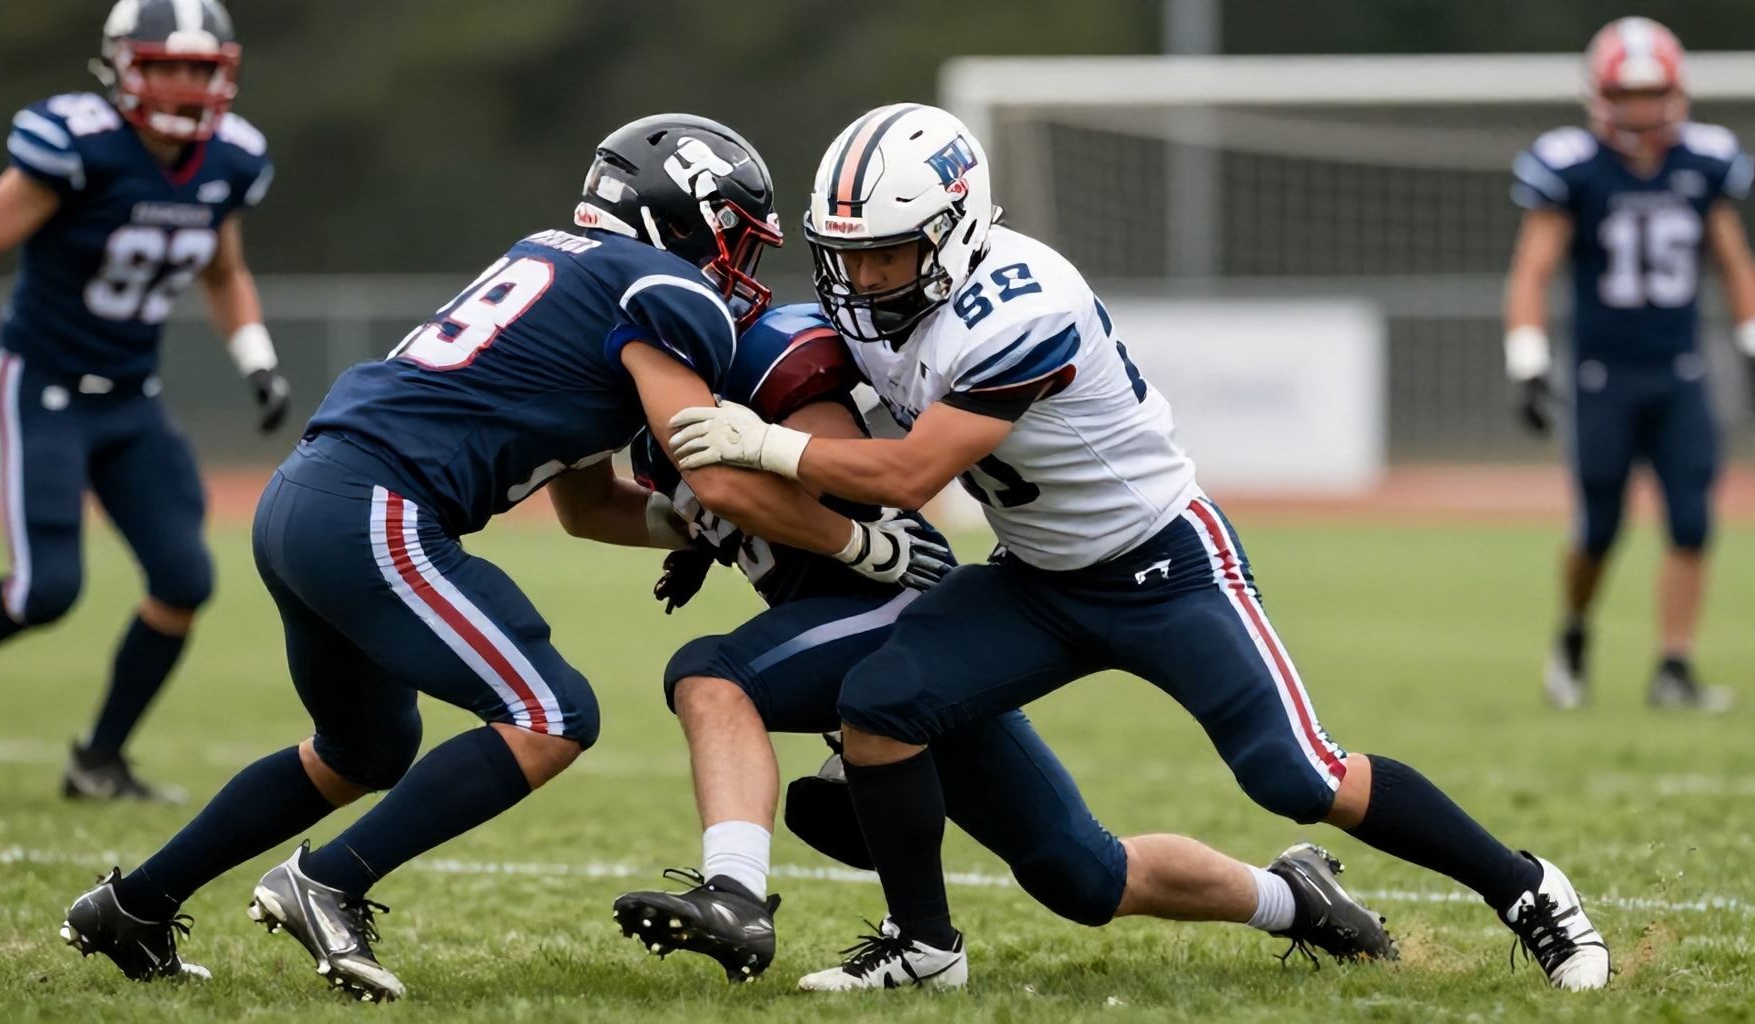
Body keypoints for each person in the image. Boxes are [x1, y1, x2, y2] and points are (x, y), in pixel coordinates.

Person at [669, 102, 1611, 992]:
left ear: (952, 232)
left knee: (1296, 773)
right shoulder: (885, 305)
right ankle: (923, 947)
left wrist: (765, 445)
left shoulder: (1020, 306)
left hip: (1162, 566)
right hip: (1037, 578)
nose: (863, 281)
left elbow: (913, 474)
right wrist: (724, 513)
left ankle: (1529, 889)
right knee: (877, 705)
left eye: (886, 257)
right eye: (849, 257)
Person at [59, 113, 943, 1002]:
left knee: (365, 748)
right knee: (550, 712)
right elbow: (713, 479)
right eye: (734, 239)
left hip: (306, 499)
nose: (737, 268)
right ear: (688, 218)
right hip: (376, 506)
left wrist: (687, 529)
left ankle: (133, 905)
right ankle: (327, 880)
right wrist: (860, 543)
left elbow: (587, 506)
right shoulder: (662, 287)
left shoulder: (567, 264)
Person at [600, 303, 1392, 984]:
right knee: (1081, 876)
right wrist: (708, 534)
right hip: (853, 635)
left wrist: (766, 503)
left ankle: (738, 896)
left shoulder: (773, 349)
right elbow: (616, 508)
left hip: (898, 605)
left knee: (711, 674)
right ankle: (1294, 898)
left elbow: (845, 482)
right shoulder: (647, 408)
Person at [0, 0, 289, 802]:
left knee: (184, 578)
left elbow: (223, 269)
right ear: (123, 66)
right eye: (167, 65)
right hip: (42, 384)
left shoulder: (232, 159)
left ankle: (98, 760)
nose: (184, 85)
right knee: (45, 591)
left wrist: (258, 361)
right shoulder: (77, 144)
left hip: (132, 398)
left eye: (200, 69)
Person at [1505, 16, 1755, 711]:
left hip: (1679, 370)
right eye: (1630, 93)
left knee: (1692, 520)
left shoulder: (1705, 161)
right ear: (1603, 95)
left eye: (1653, 93)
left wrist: (1750, 337)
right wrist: (1527, 360)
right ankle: (1576, 630)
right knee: (1599, 527)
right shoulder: (1572, 166)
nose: (1642, 110)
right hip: (1600, 376)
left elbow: (1734, 262)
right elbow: (1533, 270)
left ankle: (1674, 668)